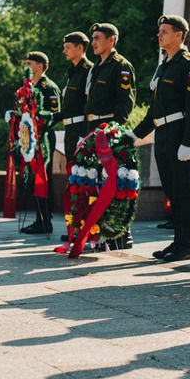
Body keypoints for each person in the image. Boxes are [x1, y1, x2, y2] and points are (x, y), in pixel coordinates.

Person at [126, 15, 190, 262]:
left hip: (179, 133)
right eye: (159, 31)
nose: (159, 36)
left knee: (183, 192)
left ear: (179, 35)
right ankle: (177, 242)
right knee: (172, 191)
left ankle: (186, 245)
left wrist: (188, 142)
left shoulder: (188, 64)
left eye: (164, 32)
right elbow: (154, 110)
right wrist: (135, 134)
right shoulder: (165, 65)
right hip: (162, 134)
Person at [84, 22, 136, 248]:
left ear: (111, 40)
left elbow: (125, 104)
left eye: (97, 38)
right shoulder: (97, 67)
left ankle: (123, 236)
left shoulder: (120, 65)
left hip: (109, 133)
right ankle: (103, 233)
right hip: (94, 130)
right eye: (93, 38)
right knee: (98, 184)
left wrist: (113, 133)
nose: (93, 43)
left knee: (115, 184)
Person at [20, 51, 61, 235]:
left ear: (40, 66)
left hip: (43, 138)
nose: (26, 67)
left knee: (44, 179)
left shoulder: (48, 87)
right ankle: (39, 219)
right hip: (30, 139)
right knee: (33, 179)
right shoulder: (28, 87)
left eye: (29, 63)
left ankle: (45, 220)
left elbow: (56, 114)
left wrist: (39, 120)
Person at [58, 32, 94, 159]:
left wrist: (85, 134)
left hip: (81, 130)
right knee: (71, 171)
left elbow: (89, 103)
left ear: (80, 48)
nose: (64, 51)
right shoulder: (72, 71)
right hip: (70, 129)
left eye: (68, 47)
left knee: (80, 172)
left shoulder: (89, 70)